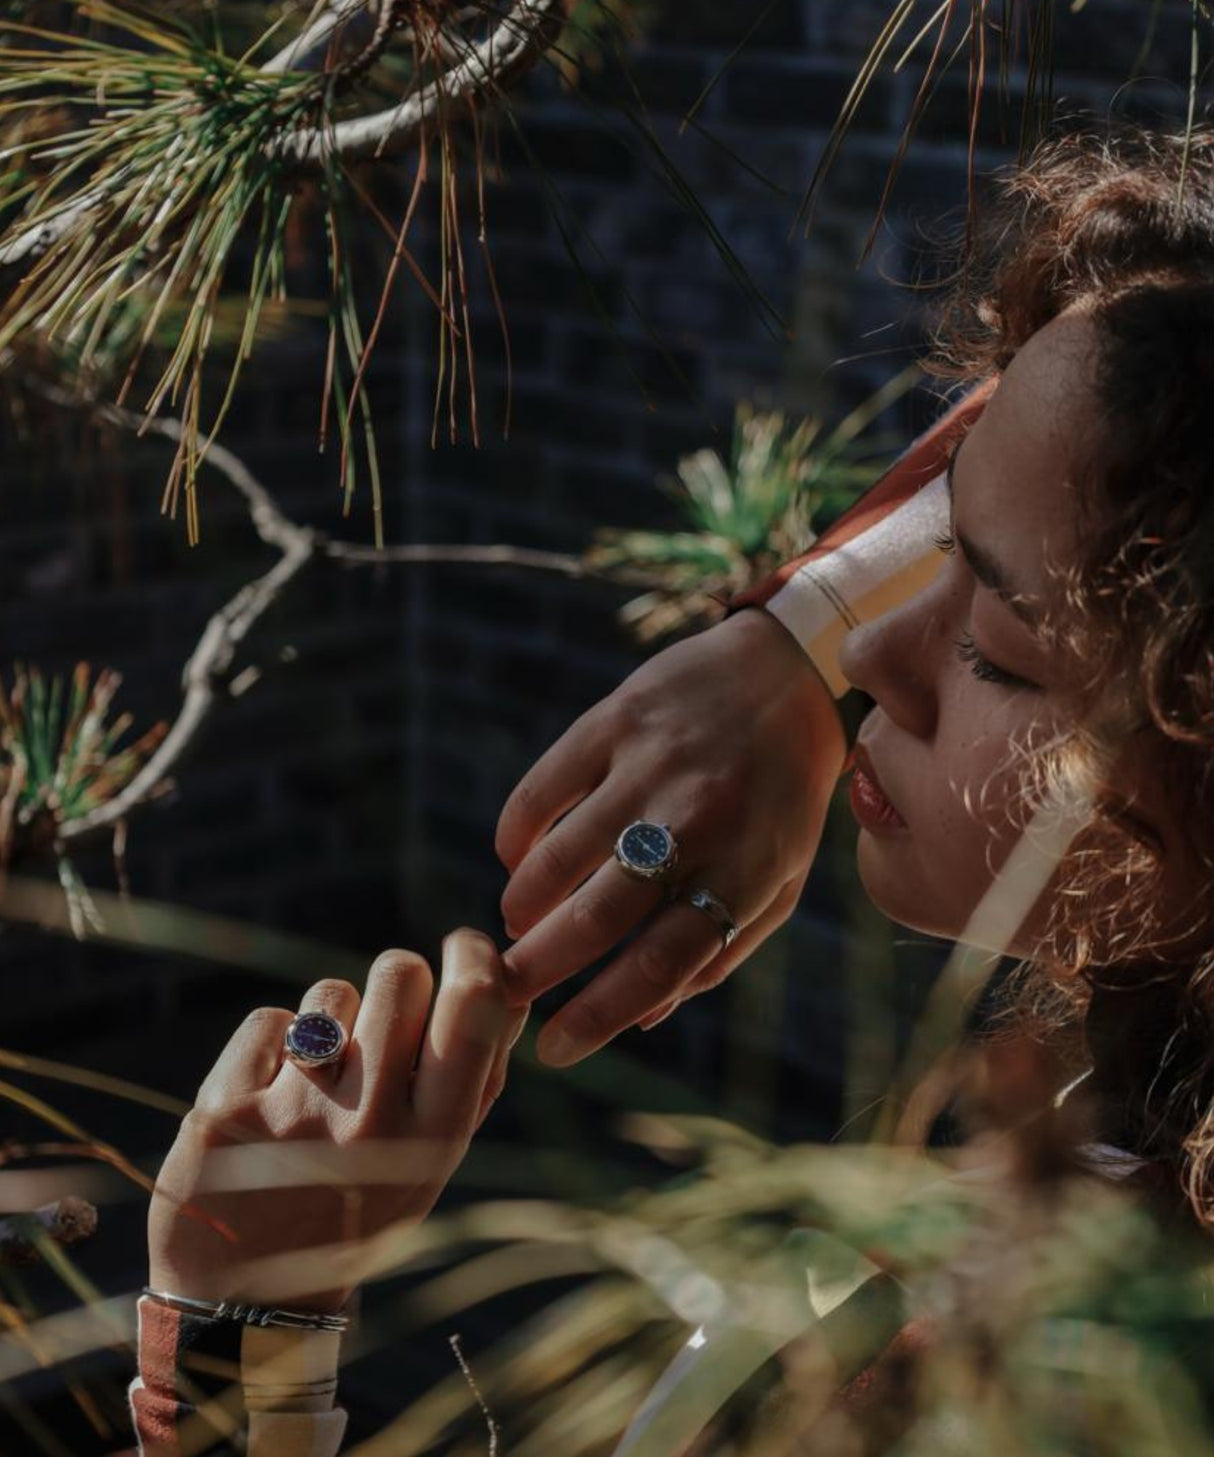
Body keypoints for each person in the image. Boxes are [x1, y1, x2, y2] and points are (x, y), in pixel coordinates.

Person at [130, 123, 1214, 1453]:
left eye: (992, 643)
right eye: (930, 550)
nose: (873, 657)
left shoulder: (1048, 1378)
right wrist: (785, 640)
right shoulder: (1127, 1145)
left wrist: (246, 1331)